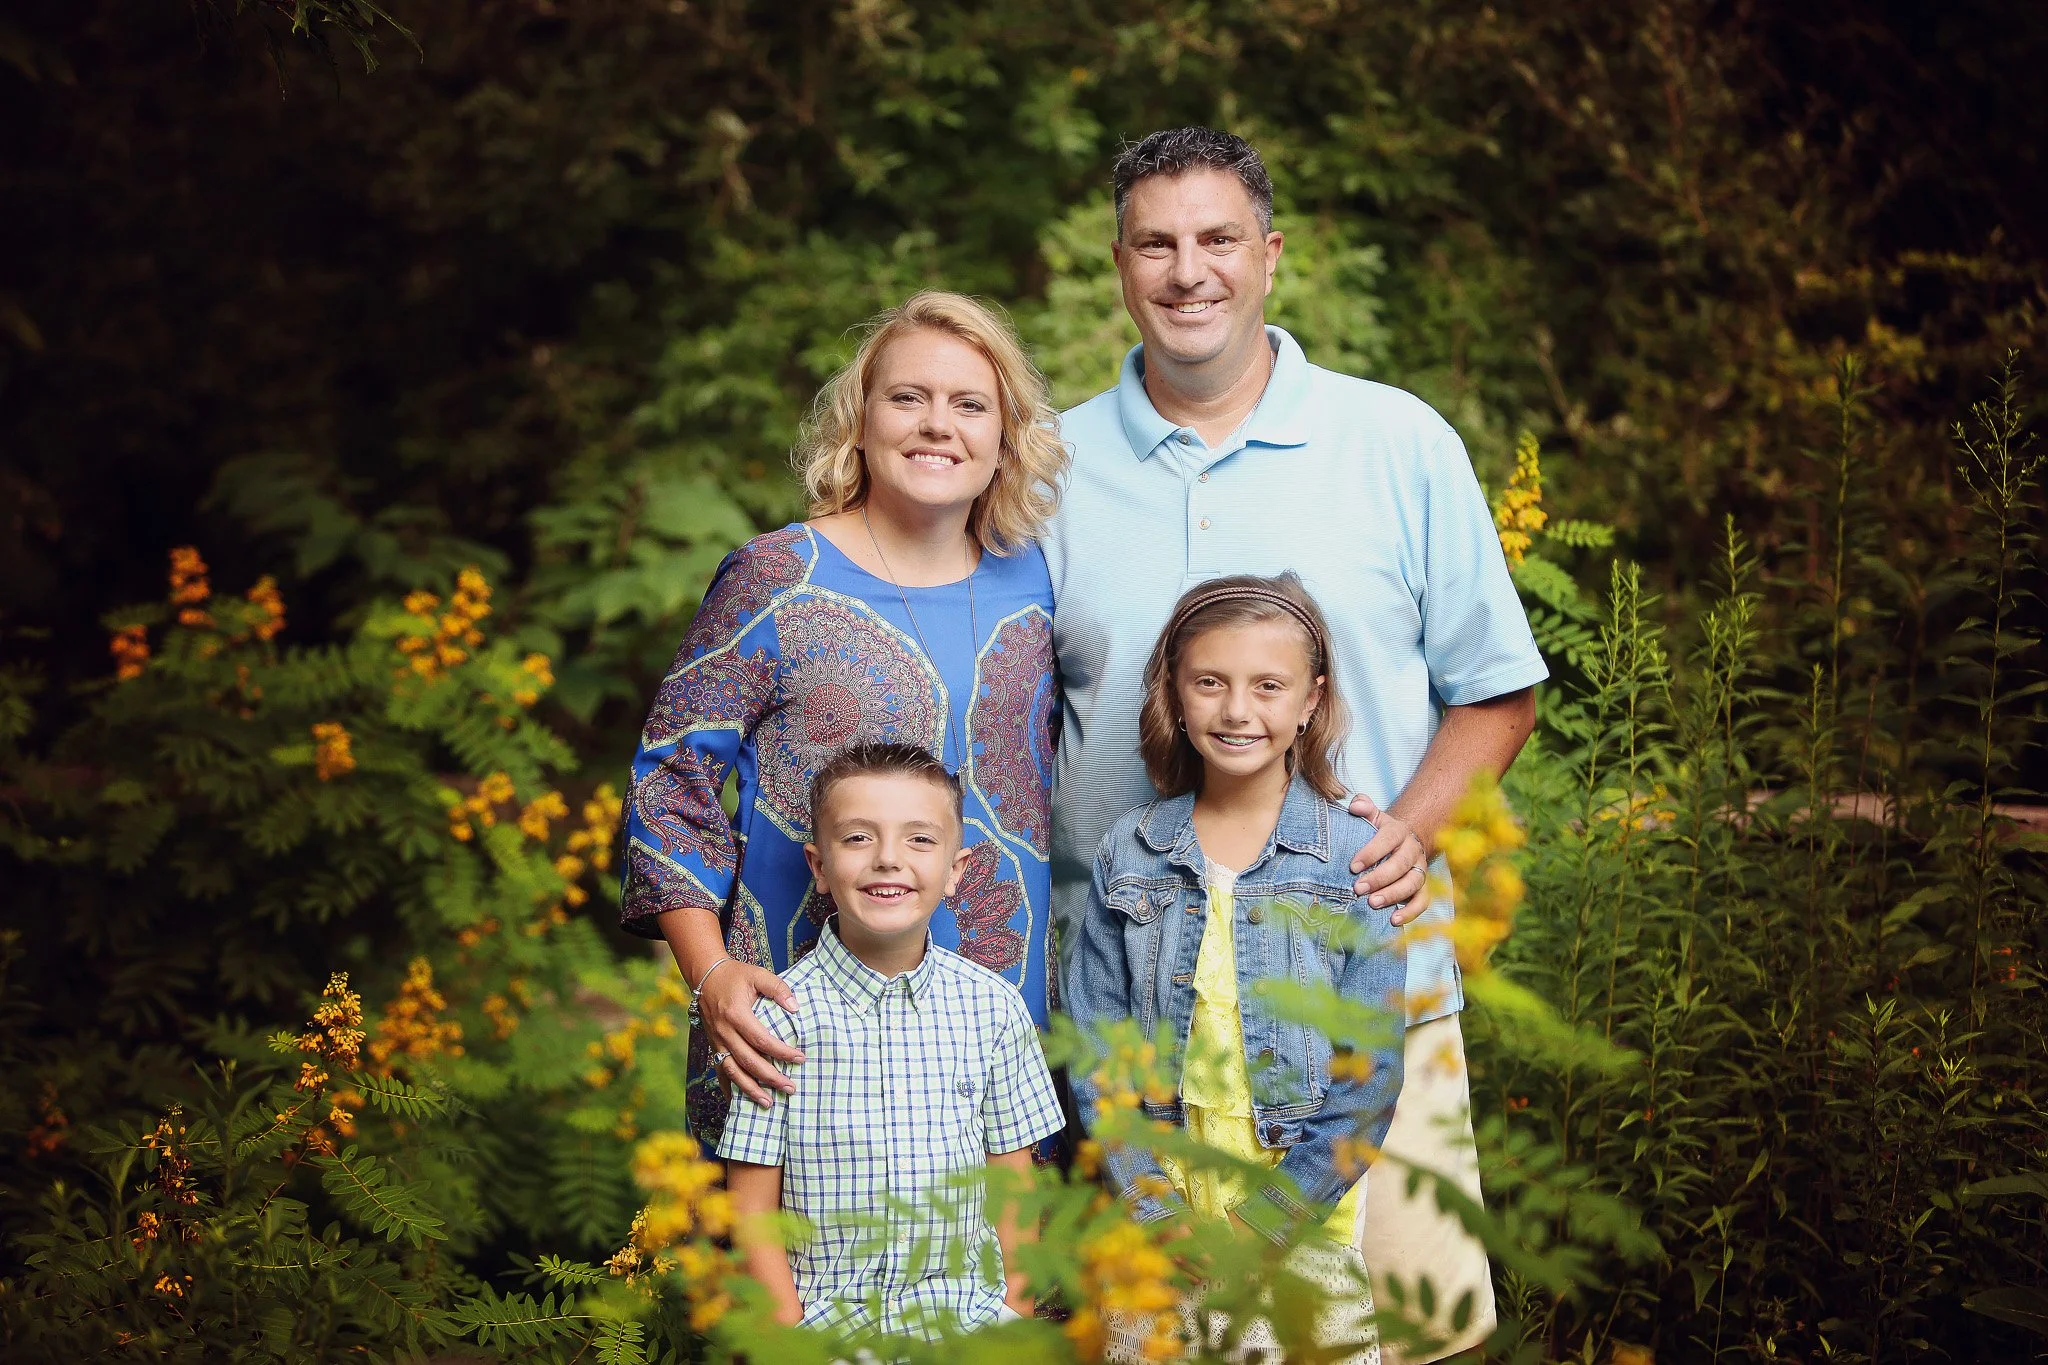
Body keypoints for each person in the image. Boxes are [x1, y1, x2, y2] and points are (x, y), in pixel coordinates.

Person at [1045, 127, 1546, 1360]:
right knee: (1152, 1335)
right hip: (1127, 1008)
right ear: (1119, 266)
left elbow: (1495, 692)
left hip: (1360, 998)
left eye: (1216, 239)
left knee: (1395, 1334)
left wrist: (1410, 836)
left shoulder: (1396, 443)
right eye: (1155, 243)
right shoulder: (1046, 465)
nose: (1187, 271)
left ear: (1268, 257)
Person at [619, 290, 1069, 1144]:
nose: (939, 424)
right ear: (858, 422)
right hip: (799, 1033)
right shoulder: (776, 575)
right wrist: (708, 971)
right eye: (908, 398)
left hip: (998, 1040)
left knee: (994, 1270)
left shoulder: (1040, 583)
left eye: (970, 405)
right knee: (787, 1268)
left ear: (1004, 439)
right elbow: (669, 779)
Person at [1067, 573, 1402, 1364]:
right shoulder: (1130, 851)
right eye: (1210, 682)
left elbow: (1370, 1079)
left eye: (1268, 686)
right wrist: (1157, 1212)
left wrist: (1265, 1225)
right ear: (1174, 695)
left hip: (1300, 1230)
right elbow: (1099, 1062)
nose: (1237, 710)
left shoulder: (1353, 858)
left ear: (1310, 699)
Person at [720, 742, 1066, 1336]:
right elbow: (751, 1208)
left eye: (920, 839)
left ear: (955, 871)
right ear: (819, 868)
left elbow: (1014, 1184)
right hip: (829, 1330)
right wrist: (785, 1331)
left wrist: (1017, 1311)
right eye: (857, 838)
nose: (888, 859)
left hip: (970, 1326)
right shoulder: (777, 1020)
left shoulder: (996, 1011)